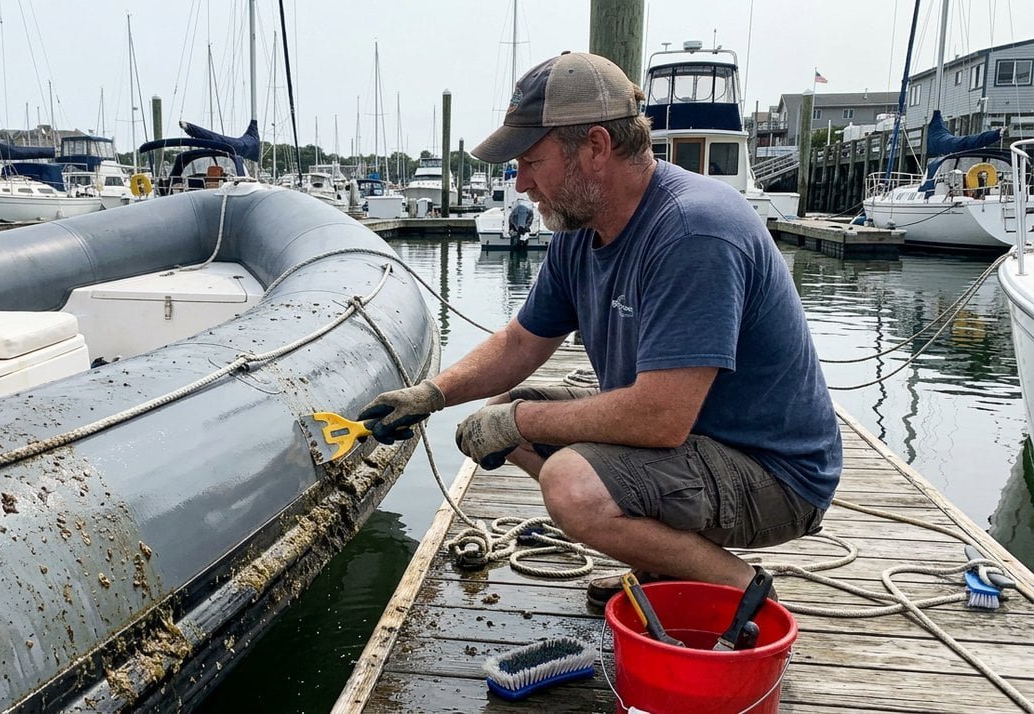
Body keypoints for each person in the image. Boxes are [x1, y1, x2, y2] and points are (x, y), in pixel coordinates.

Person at [358, 52, 841, 599]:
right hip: (694, 443)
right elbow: (522, 342)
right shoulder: (578, 228)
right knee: (500, 413)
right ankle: (667, 562)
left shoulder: (694, 232)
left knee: (571, 484)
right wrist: (433, 393)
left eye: (531, 162)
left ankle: (742, 589)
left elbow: (661, 418)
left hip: (773, 475)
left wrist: (524, 421)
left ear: (595, 147)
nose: (520, 185)